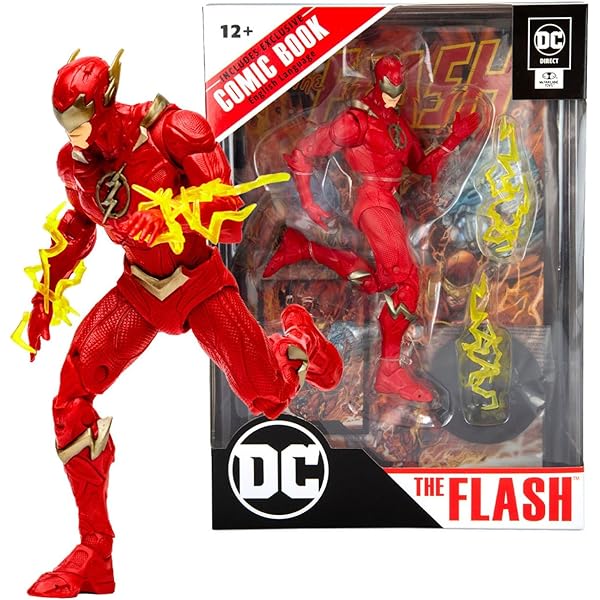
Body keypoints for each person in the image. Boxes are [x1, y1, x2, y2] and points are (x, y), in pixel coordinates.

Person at [26, 50, 342, 598]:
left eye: (78, 121)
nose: (72, 134)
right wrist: (46, 291)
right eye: (63, 124)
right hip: (140, 292)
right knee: (70, 401)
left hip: (199, 284)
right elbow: (79, 225)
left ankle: (297, 342)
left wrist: (172, 209)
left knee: (267, 398)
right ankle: (94, 551)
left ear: (105, 103)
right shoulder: (75, 164)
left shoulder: (173, 129)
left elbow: (229, 214)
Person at [265, 55, 479, 402]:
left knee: (394, 281)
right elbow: (303, 151)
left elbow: (422, 166)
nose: (395, 96)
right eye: (389, 88)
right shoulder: (356, 122)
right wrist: (309, 202)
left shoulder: (398, 125)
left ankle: (303, 248)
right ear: (378, 83)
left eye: (399, 89)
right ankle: (389, 371)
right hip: (371, 200)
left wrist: (453, 139)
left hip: (389, 202)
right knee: (404, 279)